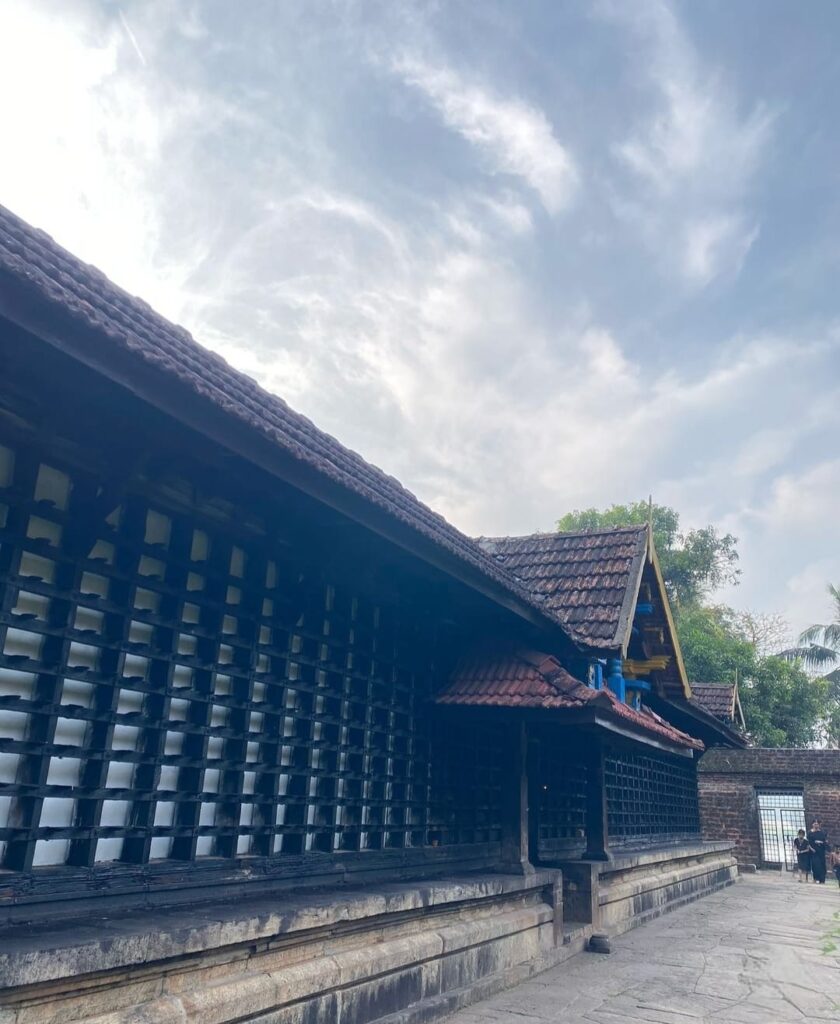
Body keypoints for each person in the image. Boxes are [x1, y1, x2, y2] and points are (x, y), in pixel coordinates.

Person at [807, 820, 829, 884]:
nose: (816, 825)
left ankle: (822, 879)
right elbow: (808, 842)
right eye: (815, 824)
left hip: (821, 851)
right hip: (813, 851)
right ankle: (816, 878)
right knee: (815, 865)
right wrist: (812, 848)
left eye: (817, 824)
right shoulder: (810, 833)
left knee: (822, 865)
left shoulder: (822, 833)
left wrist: (821, 842)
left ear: (819, 825)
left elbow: (825, 842)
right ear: (812, 824)